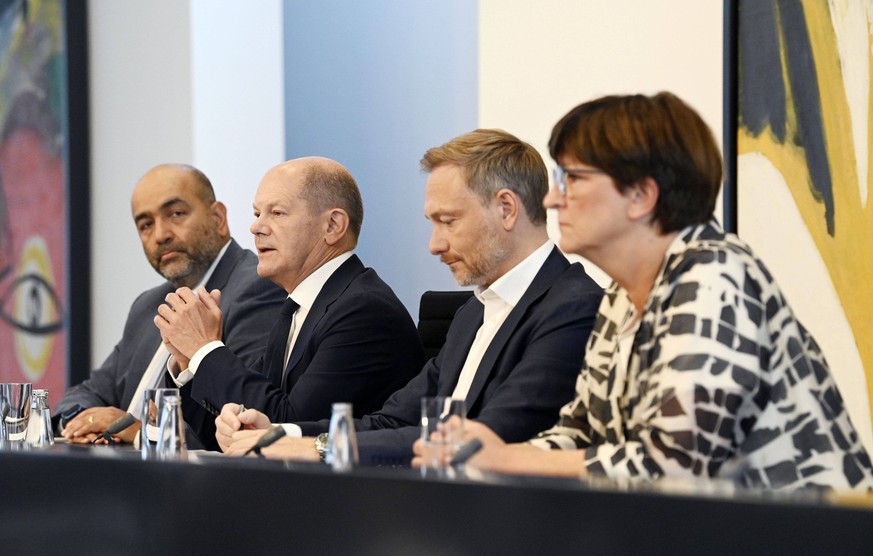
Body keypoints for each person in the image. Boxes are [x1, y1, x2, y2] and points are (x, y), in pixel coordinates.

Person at [417, 92, 873, 491]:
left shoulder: (714, 275)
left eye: (572, 179)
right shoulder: (620, 297)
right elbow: (580, 431)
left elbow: (676, 465)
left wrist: (510, 458)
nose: (553, 200)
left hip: (812, 543)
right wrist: (482, 456)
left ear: (641, 196)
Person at [215, 129, 603, 465]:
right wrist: (282, 434)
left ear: (506, 208)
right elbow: (393, 421)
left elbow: (484, 438)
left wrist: (316, 449)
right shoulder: (472, 314)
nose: (434, 245)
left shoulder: (573, 307)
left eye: (448, 221)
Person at [155, 157, 426, 450]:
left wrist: (204, 349)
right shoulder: (299, 307)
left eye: (277, 213)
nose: (255, 227)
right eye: (257, 213)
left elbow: (289, 427)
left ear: (333, 225)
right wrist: (188, 361)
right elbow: (228, 435)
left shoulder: (364, 311)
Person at [55, 164, 287, 447]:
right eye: (146, 224)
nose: (160, 234)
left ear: (218, 218)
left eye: (175, 214)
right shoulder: (148, 304)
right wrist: (84, 423)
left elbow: (244, 414)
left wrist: (142, 432)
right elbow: (89, 391)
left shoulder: (257, 287)